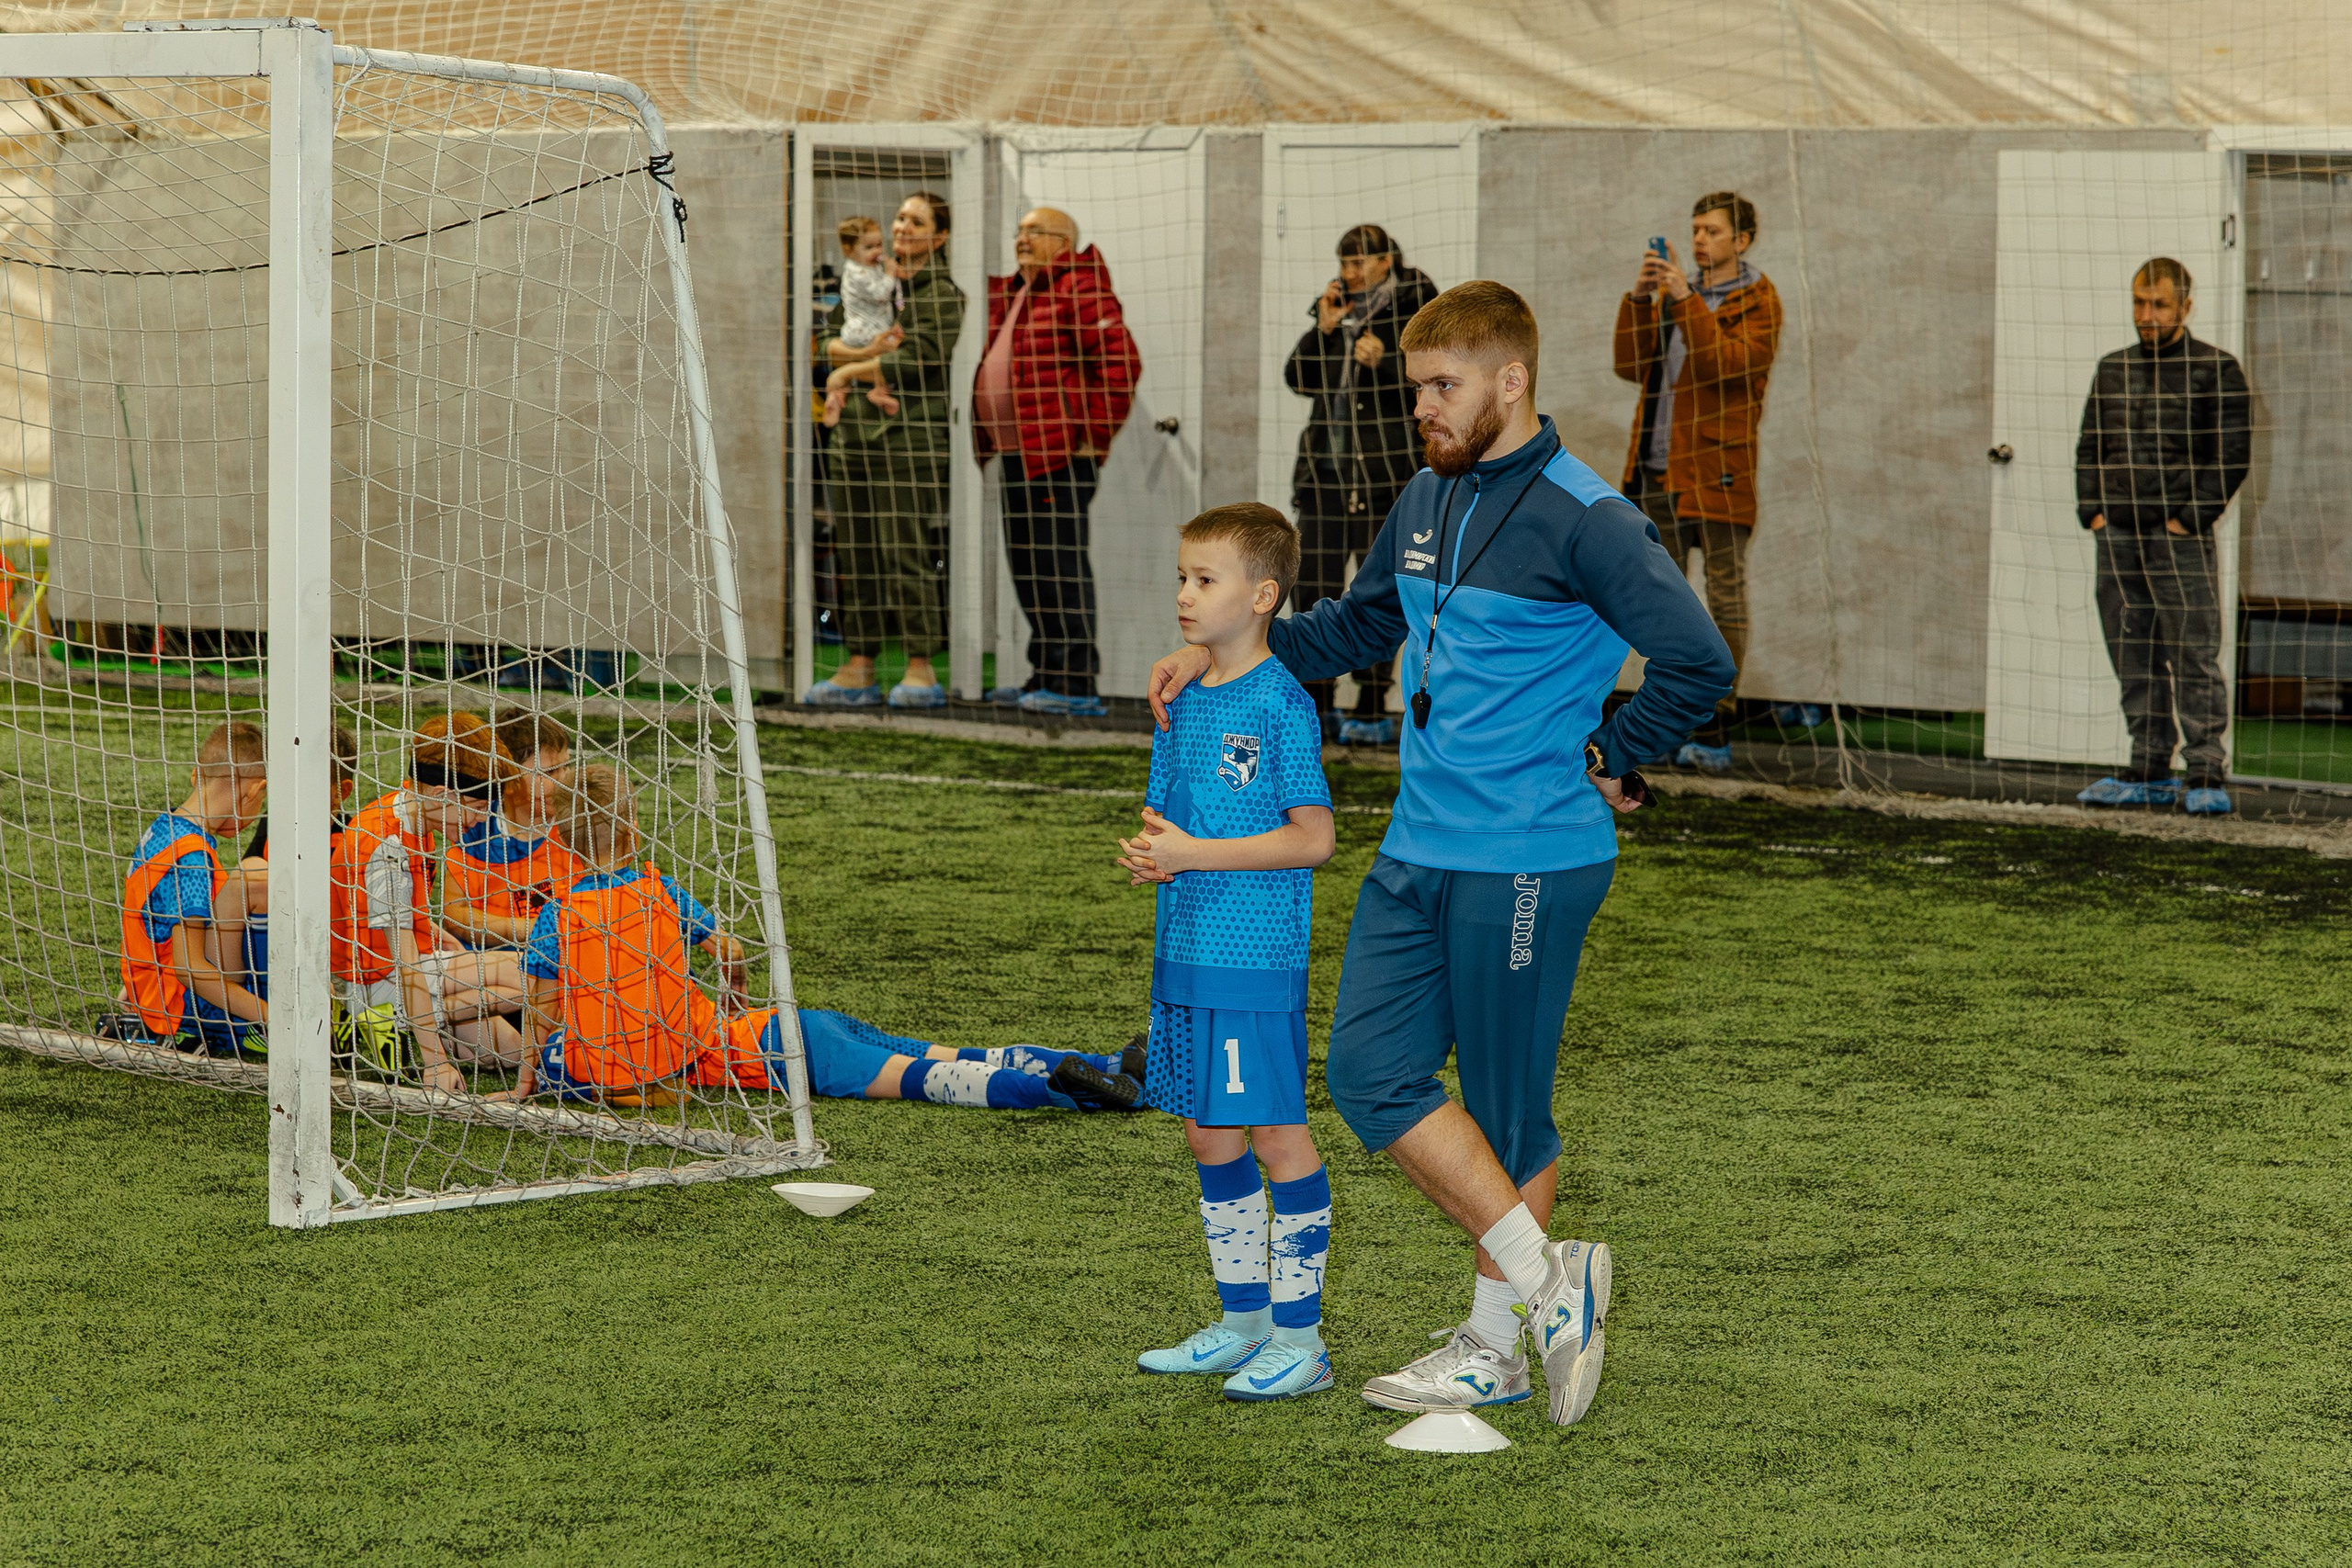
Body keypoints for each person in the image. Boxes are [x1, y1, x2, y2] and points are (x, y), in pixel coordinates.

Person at [1148, 281, 1735, 1426]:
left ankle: (1495, 1346)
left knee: (1508, 1113)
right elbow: (1361, 628)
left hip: (1529, 853)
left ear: (1508, 382)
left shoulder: (1589, 517)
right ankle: (1550, 1283)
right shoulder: (1424, 495)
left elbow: (1697, 658)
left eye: (1442, 387)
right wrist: (1230, 643)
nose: (1423, 407)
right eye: (1417, 388)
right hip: (1418, 847)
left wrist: (1618, 750)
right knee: (1370, 1077)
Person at [502, 764, 1146, 1111]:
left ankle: (1065, 1090)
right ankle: (1104, 1064)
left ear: (560, 837)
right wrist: (736, 995)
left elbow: (538, 1009)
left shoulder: (558, 916)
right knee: (943, 1048)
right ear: (635, 828)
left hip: (789, 1053)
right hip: (781, 1025)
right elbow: (726, 948)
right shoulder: (662, 890)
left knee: (927, 1076)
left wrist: (529, 1079)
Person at [1117, 502, 1338, 1401]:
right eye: (1180, 576)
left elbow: (1313, 837)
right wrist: (1154, 854)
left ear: (1261, 595)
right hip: (1186, 955)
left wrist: (1194, 856)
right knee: (1208, 1133)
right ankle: (1242, 1322)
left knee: (1278, 1135)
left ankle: (1302, 1338)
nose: (1183, 595)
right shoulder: (1180, 697)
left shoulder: (1281, 703)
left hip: (1253, 961)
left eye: (1203, 580)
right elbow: (1169, 821)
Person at [1612, 191, 1787, 772]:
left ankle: (1717, 716)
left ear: (1743, 240)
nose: (1698, 241)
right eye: (1694, 230)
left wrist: (1684, 297)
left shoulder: (1760, 301)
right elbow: (1630, 368)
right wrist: (1641, 300)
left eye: (1711, 231)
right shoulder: (1669, 297)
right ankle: (1666, 715)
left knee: (1724, 594)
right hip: (1658, 469)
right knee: (1661, 601)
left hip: (1719, 469)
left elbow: (1725, 365)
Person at [2073, 257, 2252, 817]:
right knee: (2131, 651)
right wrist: (2094, 514)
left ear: (2185, 307)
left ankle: (2204, 771)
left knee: (2192, 652)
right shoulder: (2111, 370)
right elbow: (2089, 449)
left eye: (2159, 305)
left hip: (2178, 541)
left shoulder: (2216, 370)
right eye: (2139, 303)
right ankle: (2148, 766)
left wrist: (2186, 520)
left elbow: (2233, 457)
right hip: (2118, 536)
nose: (2146, 316)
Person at [974, 206, 1143, 718]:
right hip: (1016, 453)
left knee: (1058, 566)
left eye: (1034, 232)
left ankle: (1073, 682)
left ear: (1064, 241)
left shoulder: (1080, 287)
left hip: (1058, 455)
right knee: (1028, 567)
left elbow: (1123, 363)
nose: (1021, 238)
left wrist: (1091, 436)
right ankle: (1045, 673)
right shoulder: (1020, 290)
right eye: (1018, 230)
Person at [804, 191, 964, 712]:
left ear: (938, 237)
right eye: (899, 217)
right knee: (857, 552)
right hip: (851, 438)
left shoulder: (941, 294)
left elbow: (915, 361)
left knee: (907, 554)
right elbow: (826, 343)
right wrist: (859, 356)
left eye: (916, 221)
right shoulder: (866, 280)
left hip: (909, 440)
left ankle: (921, 667)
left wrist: (850, 370)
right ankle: (860, 663)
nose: (902, 227)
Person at [1283, 224, 1441, 746]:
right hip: (1326, 477)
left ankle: (1372, 704)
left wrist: (1389, 365)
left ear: (1386, 261)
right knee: (1311, 592)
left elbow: (1437, 385)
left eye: (1358, 263)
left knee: (1377, 595)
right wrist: (1325, 330)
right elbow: (1297, 378)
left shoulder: (1417, 309)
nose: (1349, 273)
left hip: (1383, 480)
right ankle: (1315, 704)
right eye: (1344, 263)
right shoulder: (1334, 309)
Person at [334, 714, 528, 1093]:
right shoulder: (387, 846)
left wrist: (434, 931)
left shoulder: (410, 814)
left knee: (509, 1054)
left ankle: (414, 1023)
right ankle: (381, 1021)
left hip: (396, 967)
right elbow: (405, 962)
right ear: (442, 795)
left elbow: (377, 911)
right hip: (373, 980)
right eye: (477, 807)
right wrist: (436, 1062)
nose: (478, 820)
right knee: (527, 971)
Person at [109, 720, 270, 1053]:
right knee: (258, 881)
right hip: (184, 1010)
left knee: (251, 873)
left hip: (153, 990)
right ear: (255, 790)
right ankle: (257, 1025)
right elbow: (188, 967)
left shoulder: (166, 827)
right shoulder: (192, 857)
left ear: (197, 776)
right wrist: (272, 1016)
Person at [442, 709, 582, 950]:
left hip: (558, 964)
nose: (563, 780)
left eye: (565, 767)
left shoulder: (577, 826)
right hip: (486, 963)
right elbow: (453, 912)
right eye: (549, 772)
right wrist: (528, 929)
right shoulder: (477, 827)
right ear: (507, 780)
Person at [822, 217, 905, 428]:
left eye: (879, 245)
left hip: (863, 328)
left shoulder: (865, 267)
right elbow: (880, 293)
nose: (877, 251)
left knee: (860, 366)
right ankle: (880, 391)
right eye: (869, 247)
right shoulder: (857, 272)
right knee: (891, 355)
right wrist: (890, 274)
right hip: (865, 330)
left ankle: (838, 395)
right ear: (848, 250)